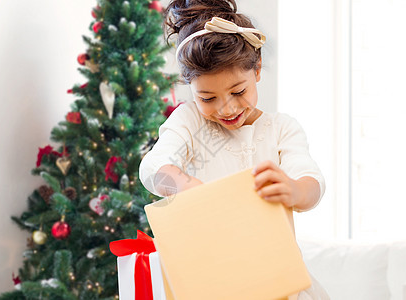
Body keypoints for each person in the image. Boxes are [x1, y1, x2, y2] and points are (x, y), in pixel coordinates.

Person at [139, 0, 329, 299]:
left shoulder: (281, 129)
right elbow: (152, 168)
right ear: (191, 89)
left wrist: (294, 190)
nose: (226, 108)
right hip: (210, 282)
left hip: (276, 283)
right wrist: (186, 187)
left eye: (238, 91)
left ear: (257, 69)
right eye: (207, 97)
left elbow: (312, 184)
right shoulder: (189, 121)